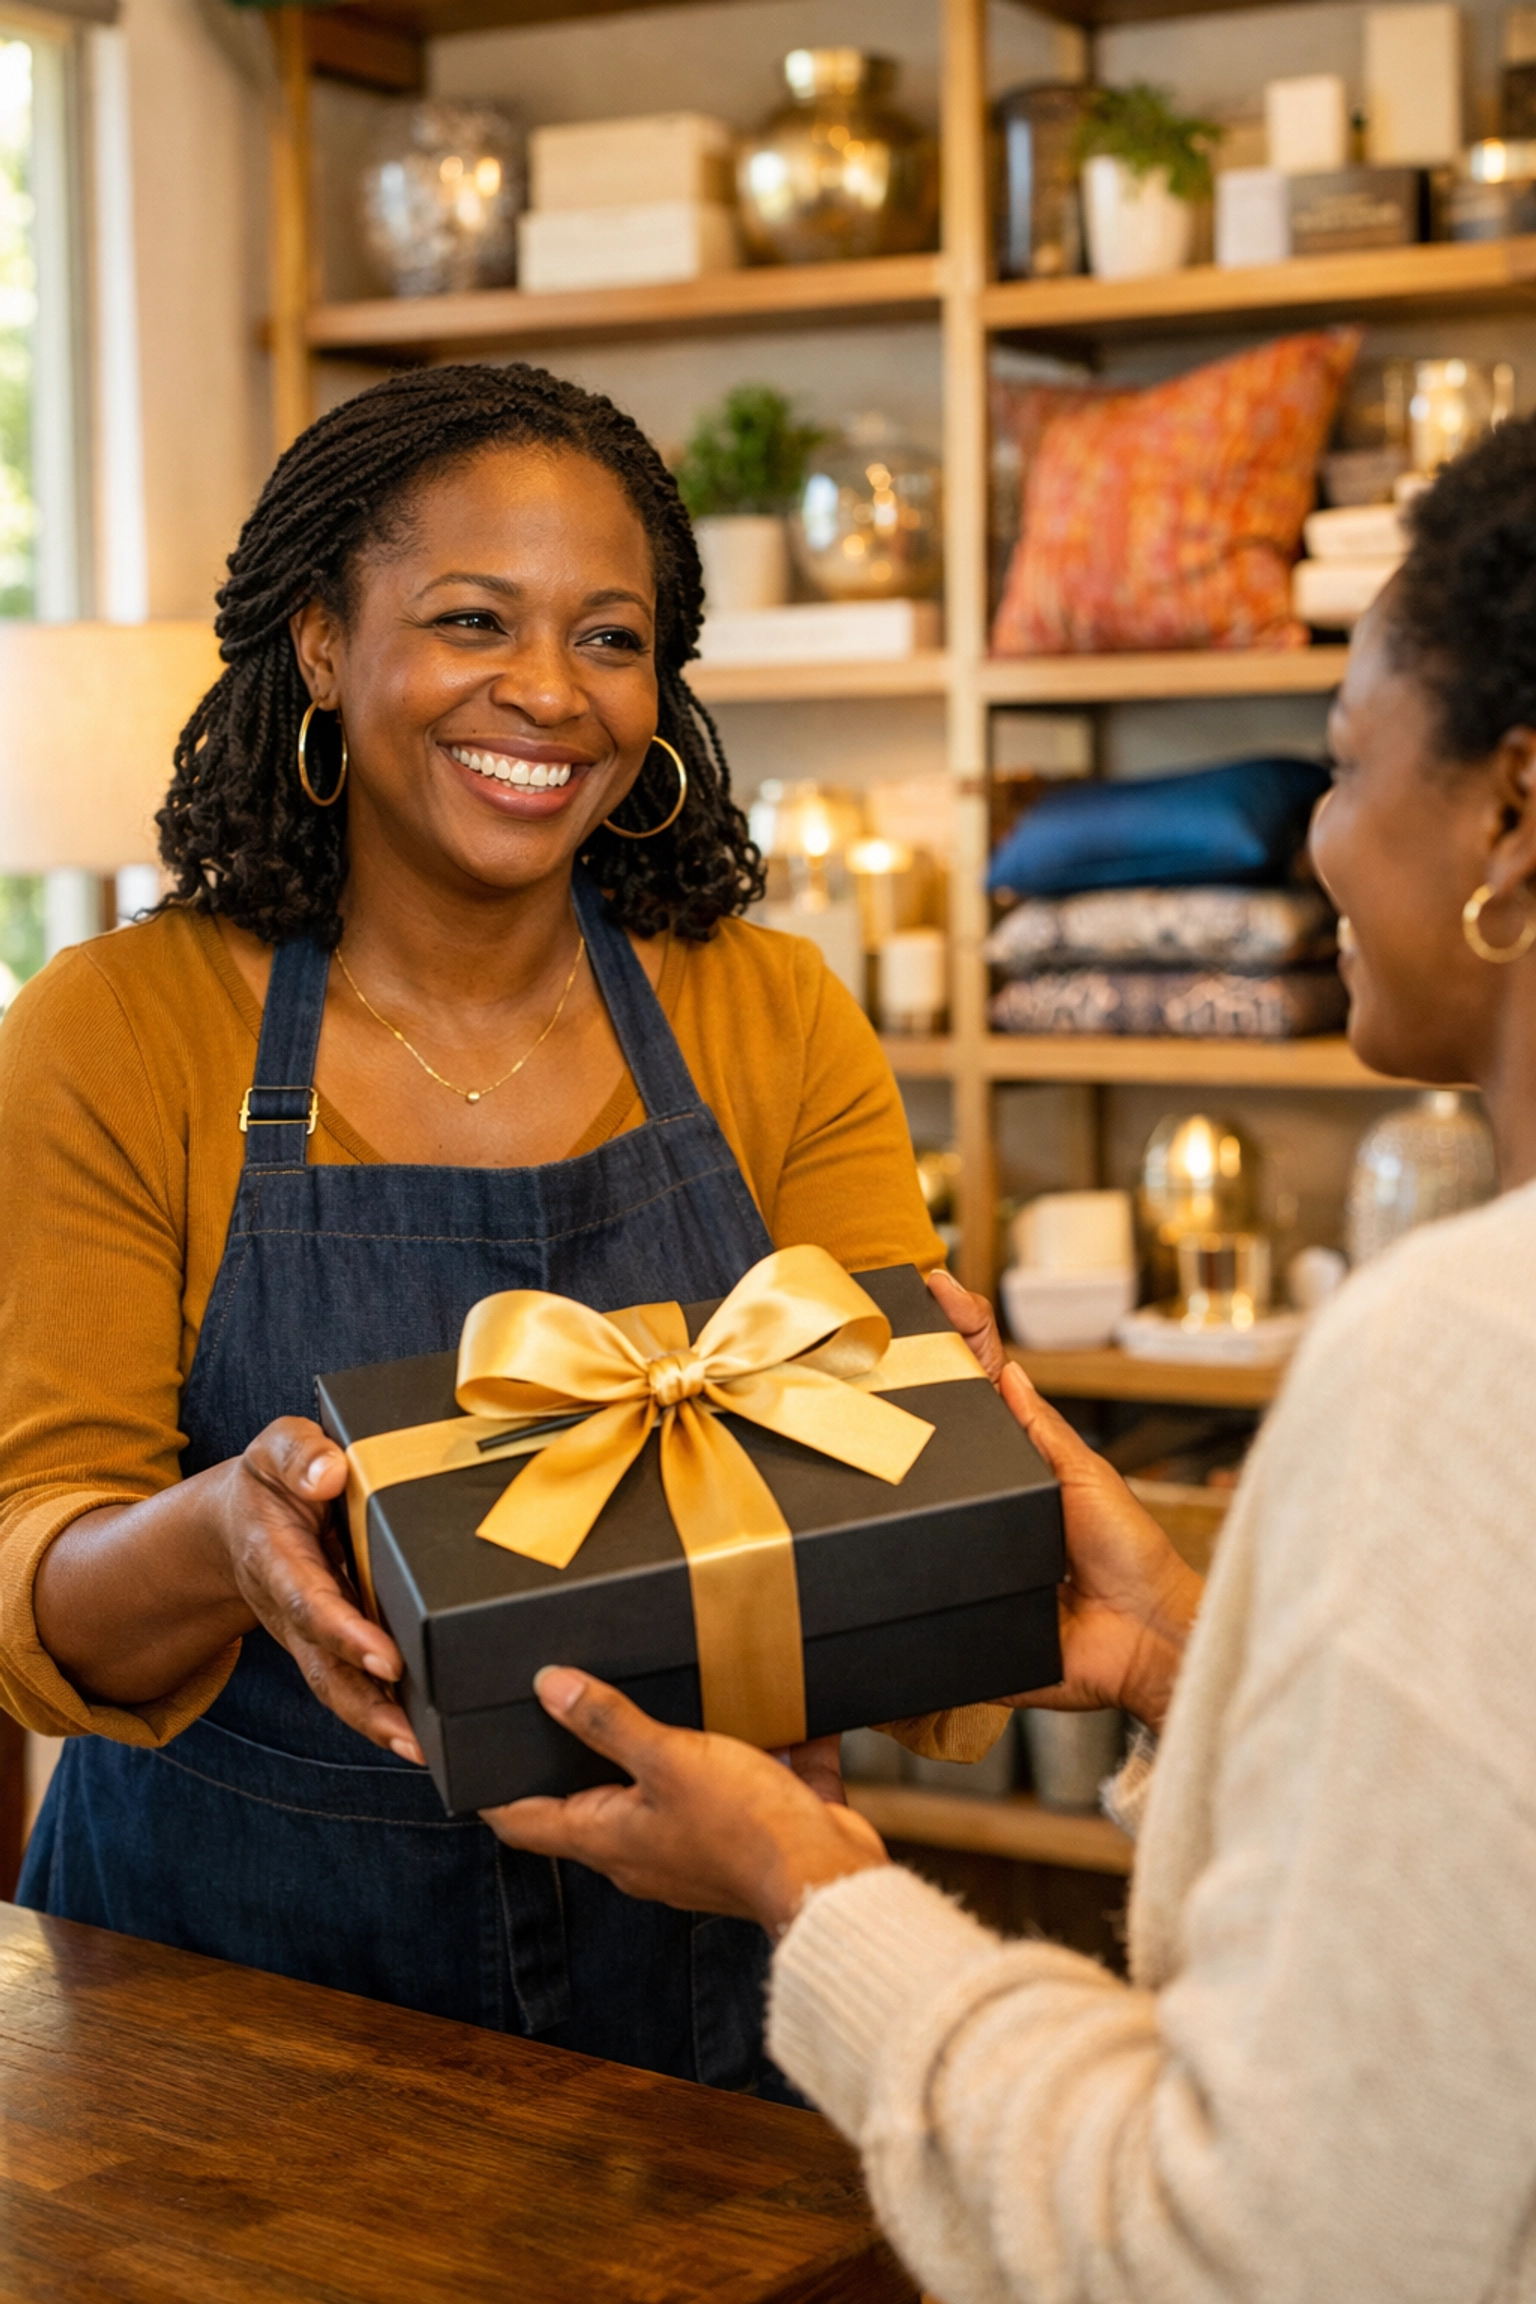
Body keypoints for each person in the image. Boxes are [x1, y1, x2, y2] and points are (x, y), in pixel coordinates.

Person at [483, 410, 1536, 2300]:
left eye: (1346, 762)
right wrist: (1180, 1664)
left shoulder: (1459, 1352)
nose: (1316, 833)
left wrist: (815, 1895)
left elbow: (1255, 2250)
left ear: (1512, 814)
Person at [0, 362, 992, 2090]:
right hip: (222, 2011)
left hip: (684, 1990)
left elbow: (903, 1523)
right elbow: (36, 1581)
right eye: (473, 620)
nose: (547, 694)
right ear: (319, 641)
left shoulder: (770, 1020)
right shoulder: (116, 1031)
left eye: (610, 639)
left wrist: (956, 1462)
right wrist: (224, 1535)